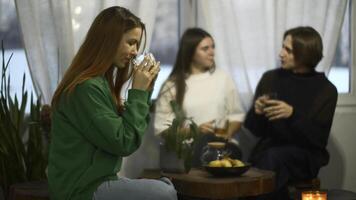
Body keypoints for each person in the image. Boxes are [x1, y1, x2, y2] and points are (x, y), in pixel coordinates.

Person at [48, 6, 177, 200]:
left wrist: (146, 89)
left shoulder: (100, 83)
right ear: (109, 41)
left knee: (164, 188)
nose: (135, 52)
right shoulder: (86, 88)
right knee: (166, 192)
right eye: (131, 43)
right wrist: (139, 92)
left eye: (137, 45)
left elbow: (126, 133)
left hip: (99, 181)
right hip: (81, 190)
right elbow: (124, 143)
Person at [244, 26, 338, 200]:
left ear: (305, 53)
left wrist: (292, 115)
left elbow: (318, 139)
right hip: (268, 152)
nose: (281, 54)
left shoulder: (326, 90)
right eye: (282, 47)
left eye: (288, 50)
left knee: (271, 161)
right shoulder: (270, 78)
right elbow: (255, 129)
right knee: (263, 162)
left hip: (304, 156)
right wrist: (256, 112)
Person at [154, 28, 245, 167]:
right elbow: (162, 129)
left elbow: (236, 116)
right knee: (204, 143)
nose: (212, 52)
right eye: (205, 48)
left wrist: (227, 133)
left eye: (213, 47)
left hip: (223, 147)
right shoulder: (172, 85)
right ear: (190, 53)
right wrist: (195, 131)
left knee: (219, 149)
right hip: (188, 150)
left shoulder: (223, 78)